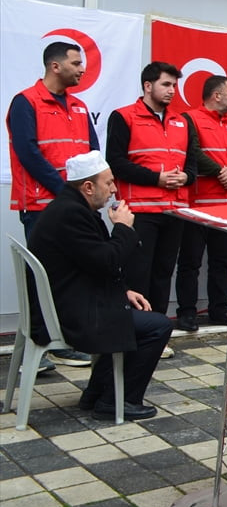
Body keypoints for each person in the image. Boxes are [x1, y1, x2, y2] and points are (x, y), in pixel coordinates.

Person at [29, 151, 172, 420]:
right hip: (71, 312)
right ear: (88, 186)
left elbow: (93, 263)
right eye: (108, 183)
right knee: (158, 326)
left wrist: (124, 291)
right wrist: (124, 228)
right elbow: (108, 261)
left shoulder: (72, 208)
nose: (114, 189)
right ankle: (119, 400)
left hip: (71, 300)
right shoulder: (72, 213)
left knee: (130, 314)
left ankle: (97, 394)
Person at [7, 41, 99, 370]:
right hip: (42, 205)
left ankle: (65, 341)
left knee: (71, 275)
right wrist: (66, 192)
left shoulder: (79, 106)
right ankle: (37, 344)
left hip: (74, 206)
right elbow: (29, 153)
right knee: (40, 275)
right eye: (76, 63)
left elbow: (92, 155)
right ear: (55, 66)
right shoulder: (25, 102)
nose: (82, 69)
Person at [106, 62, 195, 321]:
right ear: (148, 86)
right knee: (137, 272)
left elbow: (191, 164)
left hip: (175, 210)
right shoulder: (123, 116)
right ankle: (136, 329)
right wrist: (157, 179)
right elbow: (116, 162)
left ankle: (157, 329)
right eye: (166, 84)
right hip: (139, 211)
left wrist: (186, 176)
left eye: (174, 86)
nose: (171, 91)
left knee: (163, 271)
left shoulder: (181, 121)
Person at [175, 75, 227, 331]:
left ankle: (219, 310)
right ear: (216, 95)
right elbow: (191, 153)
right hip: (198, 205)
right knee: (190, 262)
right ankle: (187, 313)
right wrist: (221, 172)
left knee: (222, 261)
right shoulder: (190, 119)